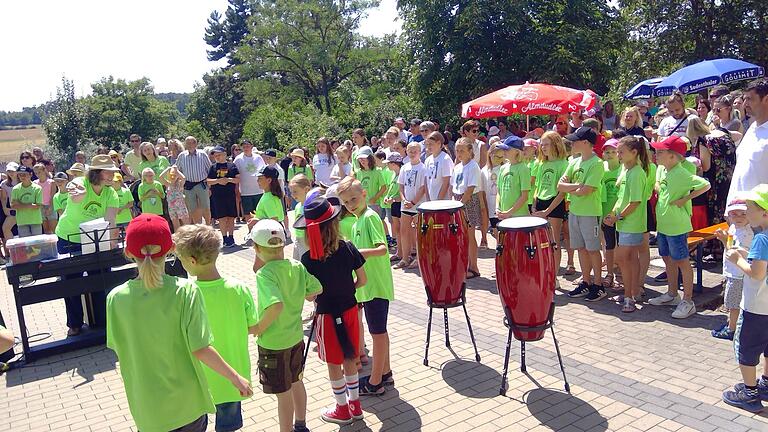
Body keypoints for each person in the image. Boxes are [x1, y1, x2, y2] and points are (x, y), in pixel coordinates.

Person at [106, 215, 253, 432]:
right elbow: (201, 348)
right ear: (170, 249)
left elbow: (119, 348)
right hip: (188, 406)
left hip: (147, 410)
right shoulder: (185, 290)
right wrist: (235, 377)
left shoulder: (115, 298)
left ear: (128, 253)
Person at [173, 224, 258, 432]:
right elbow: (253, 326)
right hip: (233, 375)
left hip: (198, 379)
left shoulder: (184, 294)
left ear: (192, 261)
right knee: (228, 427)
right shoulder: (239, 288)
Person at [295, 196, 367, 424]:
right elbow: (362, 280)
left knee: (333, 363)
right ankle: (355, 405)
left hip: (326, 316)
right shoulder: (347, 248)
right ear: (335, 224)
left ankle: (342, 409)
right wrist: (347, 291)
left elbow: (309, 296)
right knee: (350, 357)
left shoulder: (307, 259)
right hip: (350, 310)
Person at [250, 218, 322, 432]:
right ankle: (301, 424)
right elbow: (316, 289)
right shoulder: (296, 266)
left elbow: (275, 306)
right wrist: (302, 294)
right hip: (295, 337)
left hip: (274, 342)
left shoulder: (265, 274)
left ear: (256, 248)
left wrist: (258, 328)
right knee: (297, 382)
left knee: (283, 394)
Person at [337, 177, 395, 396]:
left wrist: (354, 254)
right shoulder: (358, 218)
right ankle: (386, 373)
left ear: (363, 194)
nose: (350, 204)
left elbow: (382, 249)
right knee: (379, 332)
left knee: (377, 333)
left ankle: (375, 381)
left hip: (376, 286)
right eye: (346, 202)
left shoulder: (370, 217)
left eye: (353, 198)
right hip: (369, 287)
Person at [647, 136, 711, 318]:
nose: (656, 155)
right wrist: (659, 187)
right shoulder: (662, 169)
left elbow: (705, 184)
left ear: (673, 156)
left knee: (682, 261)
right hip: (664, 225)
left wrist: (685, 199)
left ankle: (688, 301)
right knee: (667, 258)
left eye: (660, 152)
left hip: (677, 226)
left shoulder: (682, 173)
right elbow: (658, 183)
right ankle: (672, 293)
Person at [721, 184, 768, 412]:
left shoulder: (761, 239)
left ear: (764, 213)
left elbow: (757, 273)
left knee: (747, 349)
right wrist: (747, 255)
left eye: (749, 208)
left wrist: (737, 261)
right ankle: (766, 384)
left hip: (755, 307)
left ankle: (750, 394)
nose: (746, 213)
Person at [558, 127, 606, 301]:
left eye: (575, 140)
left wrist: (574, 187)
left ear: (585, 143)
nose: (572, 143)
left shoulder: (597, 163)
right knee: (580, 248)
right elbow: (560, 186)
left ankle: (598, 284)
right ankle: (586, 282)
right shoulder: (574, 162)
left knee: (593, 249)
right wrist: (577, 186)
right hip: (575, 211)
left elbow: (588, 190)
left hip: (590, 212)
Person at [603, 136, 649, 313]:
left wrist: (617, 217)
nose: (618, 155)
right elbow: (622, 197)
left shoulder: (637, 172)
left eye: (621, 152)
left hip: (632, 223)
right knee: (627, 259)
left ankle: (630, 295)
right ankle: (632, 292)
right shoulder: (626, 170)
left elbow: (635, 202)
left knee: (623, 258)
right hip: (624, 222)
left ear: (634, 152)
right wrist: (614, 214)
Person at [711, 199, 753, 339]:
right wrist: (725, 239)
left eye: (743, 214)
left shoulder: (747, 233)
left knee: (734, 304)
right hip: (733, 271)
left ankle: (732, 329)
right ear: (728, 215)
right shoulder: (735, 228)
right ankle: (733, 325)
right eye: (734, 214)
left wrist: (724, 240)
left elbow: (735, 252)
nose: (739, 217)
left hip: (739, 274)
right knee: (734, 302)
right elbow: (730, 247)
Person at [532, 132, 569, 273]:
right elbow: (538, 186)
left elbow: (562, 192)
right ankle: (544, 270)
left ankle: (554, 274)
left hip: (555, 204)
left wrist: (547, 211)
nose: (543, 147)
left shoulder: (563, 164)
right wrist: (535, 205)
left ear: (556, 144)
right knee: (541, 242)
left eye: (546, 144)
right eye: (541, 144)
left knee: (554, 242)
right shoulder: (542, 164)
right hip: (540, 201)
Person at [727, 79, 768, 206]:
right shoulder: (752, 129)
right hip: (739, 215)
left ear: (766, 100)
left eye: (750, 99)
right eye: (744, 99)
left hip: (761, 218)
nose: (745, 104)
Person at [452, 137, 482, 279]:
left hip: (468, 202)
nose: (459, 153)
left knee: (470, 235)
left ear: (470, 151)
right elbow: (454, 187)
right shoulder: (457, 167)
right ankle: (466, 264)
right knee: (462, 237)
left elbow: (470, 189)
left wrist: (460, 204)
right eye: (457, 150)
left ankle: (474, 267)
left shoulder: (473, 166)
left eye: (462, 150)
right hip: (458, 201)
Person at [395, 142, 427, 269]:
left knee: (418, 233)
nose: (412, 153)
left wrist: (413, 202)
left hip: (418, 205)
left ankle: (419, 258)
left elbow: (423, 188)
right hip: (405, 205)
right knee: (404, 232)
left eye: (415, 151)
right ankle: (405, 257)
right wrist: (404, 200)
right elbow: (401, 186)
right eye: (410, 151)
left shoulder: (423, 168)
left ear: (420, 152)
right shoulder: (404, 167)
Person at [207, 146, 240, 247]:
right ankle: (224, 237)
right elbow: (208, 181)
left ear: (224, 154)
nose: (217, 157)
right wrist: (218, 181)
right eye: (215, 155)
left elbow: (238, 179)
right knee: (221, 218)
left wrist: (229, 180)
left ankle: (231, 236)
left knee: (231, 217)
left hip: (230, 195)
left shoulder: (232, 166)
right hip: (218, 196)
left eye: (219, 155)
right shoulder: (212, 167)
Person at [176, 136, 213, 225]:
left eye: (192, 142)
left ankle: (208, 225)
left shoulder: (202, 154)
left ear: (196, 144)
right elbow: (177, 170)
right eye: (188, 143)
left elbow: (210, 170)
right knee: (192, 209)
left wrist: (210, 186)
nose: (190, 145)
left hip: (202, 184)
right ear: (185, 144)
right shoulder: (181, 156)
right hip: (188, 186)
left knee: (206, 207)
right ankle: (198, 226)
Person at [600, 139, 622, 289]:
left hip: (620, 215)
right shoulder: (602, 169)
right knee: (608, 246)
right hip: (604, 213)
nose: (610, 154)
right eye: (607, 152)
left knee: (620, 246)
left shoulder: (623, 169)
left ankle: (620, 275)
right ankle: (609, 274)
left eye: (613, 151)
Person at [497, 136, 530, 219]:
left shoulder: (523, 168)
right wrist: (497, 207)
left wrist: (509, 212)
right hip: (504, 214)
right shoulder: (503, 168)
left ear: (516, 151)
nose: (504, 151)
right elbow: (499, 192)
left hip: (519, 216)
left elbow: (524, 196)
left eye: (507, 149)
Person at [233, 139, 265, 224]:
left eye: (247, 146)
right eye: (244, 147)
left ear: (251, 146)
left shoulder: (258, 158)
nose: (246, 148)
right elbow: (235, 175)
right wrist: (237, 190)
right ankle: (251, 231)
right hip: (245, 191)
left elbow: (263, 172)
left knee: (260, 212)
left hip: (259, 190)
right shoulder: (238, 159)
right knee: (248, 213)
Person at [481, 141, 505, 245]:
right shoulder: (484, 170)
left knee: (501, 232)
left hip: (502, 206)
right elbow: (482, 190)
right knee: (495, 232)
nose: (499, 159)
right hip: (490, 206)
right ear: (490, 154)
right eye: (496, 156)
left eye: (501, 157)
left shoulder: (504, 168)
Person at [11, 165, 43, 237]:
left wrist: (20, 204)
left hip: (35, 221)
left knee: (36, 245)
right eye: (20, 175)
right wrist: (30, 205)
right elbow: (13, 205)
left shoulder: (37, 188)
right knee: (25, 246)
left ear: (31, 174)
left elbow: (37, 206)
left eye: (25, 174)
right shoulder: (15, 189)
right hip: (22, 221)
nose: (22, 177)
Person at [382, 153, 403, 260]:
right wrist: (387, 197)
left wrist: (393, 199)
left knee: (402, 229)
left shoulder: (402, 174)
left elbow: (403, 192)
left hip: (400, 204)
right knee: (397, 228)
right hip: (394, 204)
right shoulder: (394, 174)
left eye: (389, 163)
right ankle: (399, 252)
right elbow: (391, 188)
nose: (387, 166)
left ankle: (405, 253)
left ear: (394, 164)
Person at [424, 131, 453, 201]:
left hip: (442, 201)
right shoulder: (427, 160)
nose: (428, 146)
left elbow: (446, 182)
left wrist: (439, 200)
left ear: (439, 143)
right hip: (431, 200)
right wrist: (428, 198)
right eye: (427, 144)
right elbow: (426, 181)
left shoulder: (445, 159)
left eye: (431, 144)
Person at [288, 174, 312, 260]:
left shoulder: (311, 206)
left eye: (295, 191)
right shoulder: (298, 206)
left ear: (306, 190)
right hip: (298, 239)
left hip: (308, 241)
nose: (292, 194)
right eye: (291, 192)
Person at [159, 165, 189, 231]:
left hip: (180, 206)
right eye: (171, 175)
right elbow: (160, 177)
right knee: (175, 224)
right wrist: (168, 169)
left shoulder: (180, 184)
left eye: (175, 175)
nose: (173, 177)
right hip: (171, 207)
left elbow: (183, 178)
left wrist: (177, 171)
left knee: (186, 223)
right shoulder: (168, 184)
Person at [33, 163, 56, 234]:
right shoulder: (35, 183)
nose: (38, 174)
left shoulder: (51, 182)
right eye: (36, 173)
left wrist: (49, 207)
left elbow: (53, 195)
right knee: (46, 230)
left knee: (54, 229)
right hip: (40, 207)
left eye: (39, 172)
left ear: (44, 171)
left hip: (51, 206)